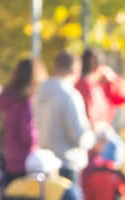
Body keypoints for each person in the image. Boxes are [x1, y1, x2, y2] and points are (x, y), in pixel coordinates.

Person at [32, 50, 94, 181]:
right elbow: (79, 136)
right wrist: (92, 138)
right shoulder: (69, 95)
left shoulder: (38, 92)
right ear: (75, 70)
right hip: (67, 162)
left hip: (44, 162)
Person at [0, 57, 41, 187]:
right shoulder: (25, 103)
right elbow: (28, 136)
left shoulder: (8, 101)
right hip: (26, 162)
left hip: (10, 158)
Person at [75, 47, 125, 132]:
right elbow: (92, 116)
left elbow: (122, 98)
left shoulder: (102, 82)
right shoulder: (86, 85)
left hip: (99, 130)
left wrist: (112, 80)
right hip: (93, 133)